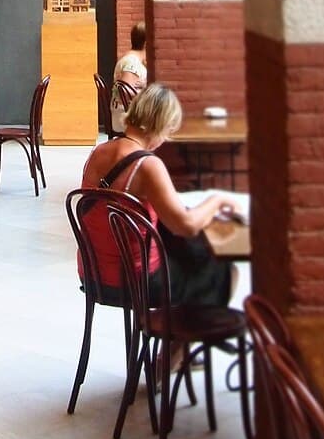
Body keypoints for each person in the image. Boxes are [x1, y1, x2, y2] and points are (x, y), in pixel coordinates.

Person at [80, 83, 238, 308]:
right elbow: (186, 226)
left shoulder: (97, 152)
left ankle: (171, 329)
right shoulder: (147, 165)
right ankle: (183, 331)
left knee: (185, 255)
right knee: (222, 271)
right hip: (137, 282)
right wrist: (217, 200)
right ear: (162, 126)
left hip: (92, 275)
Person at [109, 21, 148, 134]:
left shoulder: (129, 59)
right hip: (127, 118)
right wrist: (148, 93)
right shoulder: (132, 63)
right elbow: (125, 92)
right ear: (147, 43)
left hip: (124, 115)